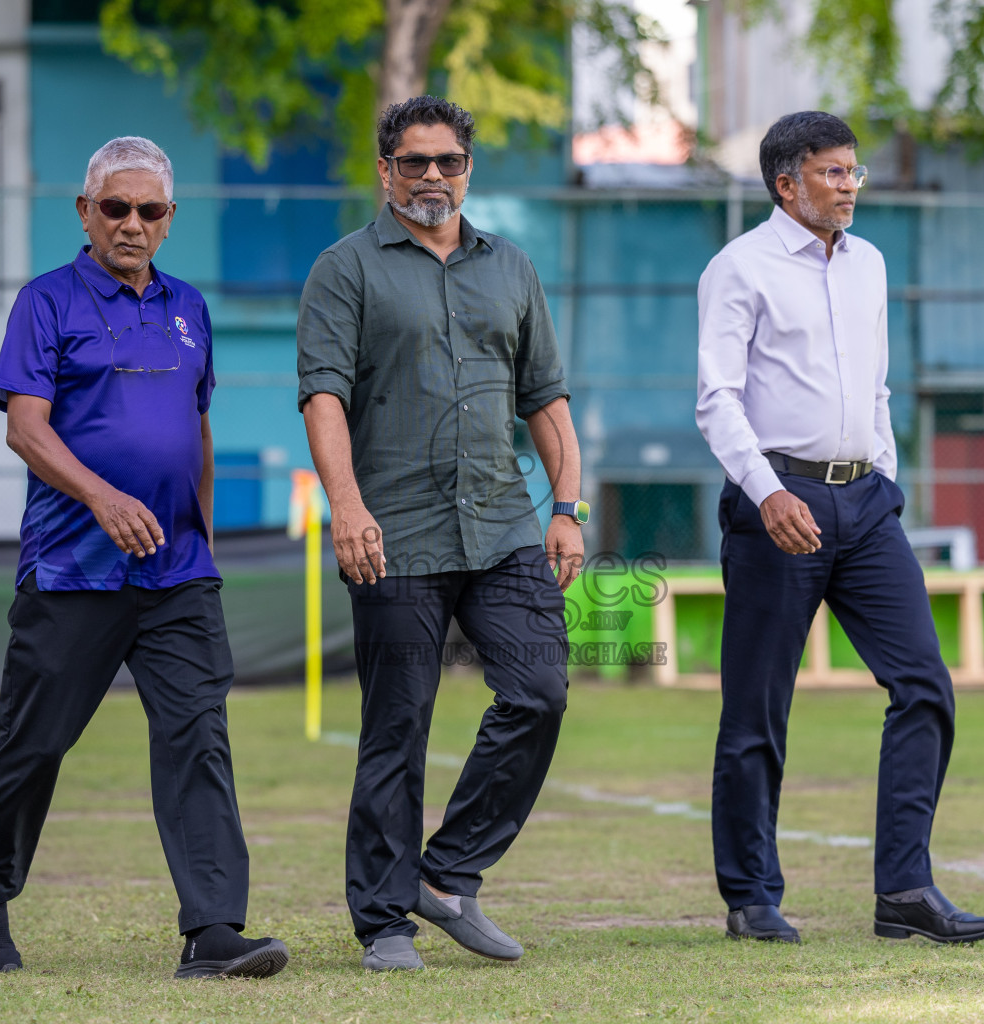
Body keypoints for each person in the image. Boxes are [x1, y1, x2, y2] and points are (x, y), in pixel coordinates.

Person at [0, 136, 287, 980]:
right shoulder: (45, 302)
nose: (131, 224)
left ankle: (212, 931)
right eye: (115, 208)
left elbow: (197, 432)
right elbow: (24, 427)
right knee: (34, 743)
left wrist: (200, 541)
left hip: (176, 576)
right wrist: (102, 497)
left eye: (149, 211)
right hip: (73, 569)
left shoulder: (191, 309)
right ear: (85, 212)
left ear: (169, 221)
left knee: (198, 735)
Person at [695, 111, 984, 945]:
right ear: (784, 182)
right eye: (832, 173)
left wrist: (887, 480)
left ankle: (904, 889)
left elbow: (875, 386)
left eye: (852, 172)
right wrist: (764, 492)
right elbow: (716, 399)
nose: (849, 186)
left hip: (865, 507)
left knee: (924, 685)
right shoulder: (739, 269)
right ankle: (750, 895)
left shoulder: (867, 264)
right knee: (758, 709)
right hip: (776, 506)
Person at [297, 95, 584, 972]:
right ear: (385, 170)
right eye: (413, 161)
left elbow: (546, 399)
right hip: (393, 531)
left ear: (468, 169)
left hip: (501, 524)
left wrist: (566, 509)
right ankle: (384, 920)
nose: (431, 176)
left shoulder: (512, 269)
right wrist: (345, 506)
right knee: (397, 727)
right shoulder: (344, 269)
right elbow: (323, 398)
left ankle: (450, 873)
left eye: (447, 161)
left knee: (539, 691)